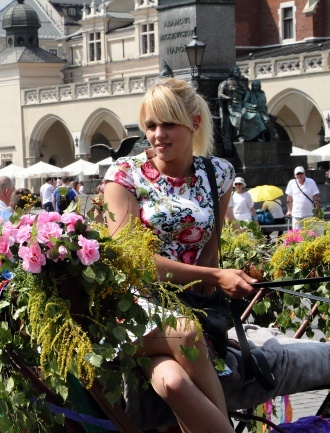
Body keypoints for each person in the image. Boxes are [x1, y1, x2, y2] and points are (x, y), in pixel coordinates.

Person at [103, 78, 257, 433]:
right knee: (186, 334)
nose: (158, 134)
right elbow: (132, 259)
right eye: (151, 125)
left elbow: (210, 247)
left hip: (187, 306)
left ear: (195, 124)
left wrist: (224, 281)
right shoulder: (125, 175)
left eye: (168, 123)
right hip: (129, 305)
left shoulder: (218, 173)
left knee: (173, 382)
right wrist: (215, 278)